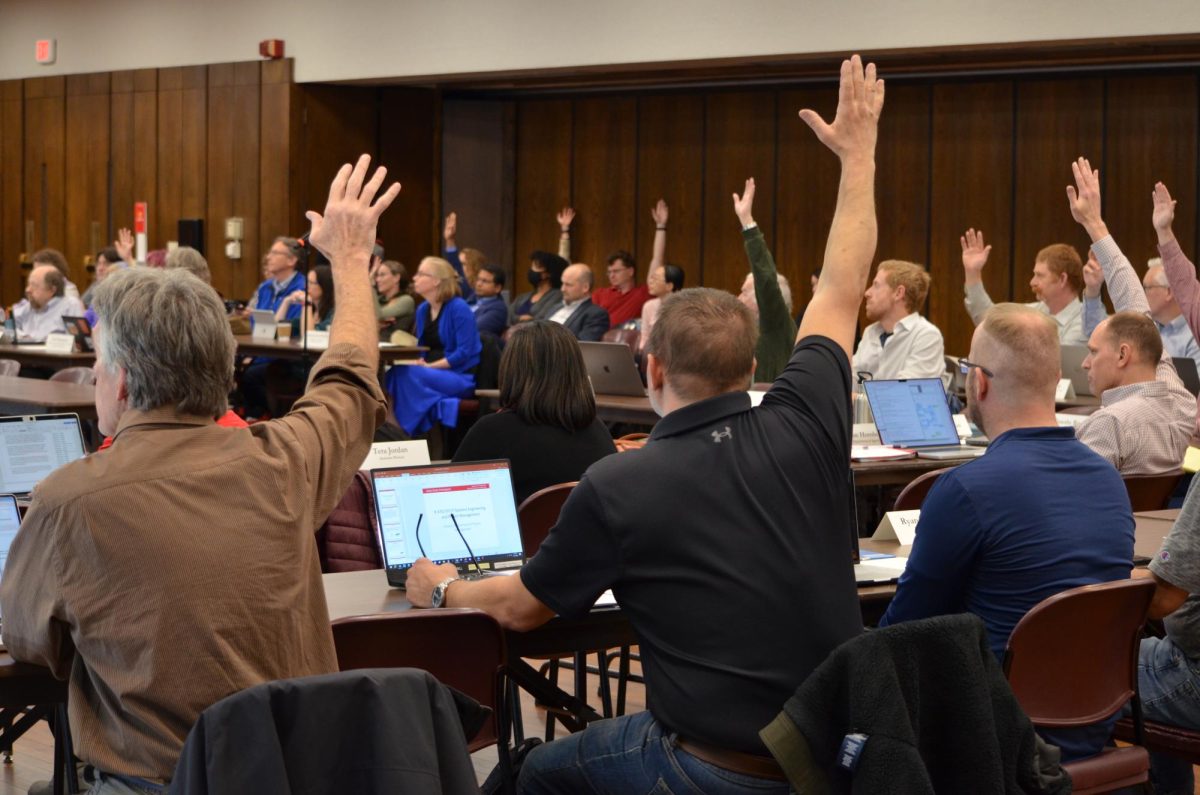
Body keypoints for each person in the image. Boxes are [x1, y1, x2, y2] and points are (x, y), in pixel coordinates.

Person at [405, 54, 884, 794]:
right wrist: (859, 158)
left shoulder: (621, 482)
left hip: (714, 765)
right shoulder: (810, 414)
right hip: (840, 756)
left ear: (651, 372)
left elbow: (523, 607)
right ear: (747, 362)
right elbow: (844, 281)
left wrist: (441, 588)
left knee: (526, 772)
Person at [0, 154, 397, 791]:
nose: (96, 375)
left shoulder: (68, 500)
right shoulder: (286, 461)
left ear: (122, 380)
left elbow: (28, 642)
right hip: (300, 778)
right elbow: (349, 377)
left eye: (99, 362)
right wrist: (349, 260)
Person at [878, 302, 1134, 761]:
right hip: (1089, 727)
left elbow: (901, 633)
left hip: (990, 739)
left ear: (977, 382)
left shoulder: (965, 490)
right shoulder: (1109, 482)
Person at [1066, 157, 1194, 475]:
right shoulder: (1181, 404)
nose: (1084, 362)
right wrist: (1094, 225)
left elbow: (1071, 497)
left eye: (1094, 352)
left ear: (1124, 354)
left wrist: (1094, 224)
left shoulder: (1110, 425)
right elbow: (1136, 309)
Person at [452, 321, 616, 503]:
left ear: (511, 370)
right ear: (576, 370)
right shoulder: (598, 430)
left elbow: (449, 498)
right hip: (583, 531)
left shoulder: (492, 431)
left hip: (518, 531)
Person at [385, 256, 482, 436]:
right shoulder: (423, 309)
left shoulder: (459, 308)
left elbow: (465, 352)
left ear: (436, 281)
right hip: (428, 373)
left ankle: (403, 431)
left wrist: (430, 366)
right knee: (390, 374)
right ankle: (394, 429)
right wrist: (420, 363)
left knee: (402, 374)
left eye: (421, 274)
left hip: (458, 376)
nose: (414, 278)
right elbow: (422, 348)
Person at [961, 228, 1089, 346]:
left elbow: (1055, 363)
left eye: (1040, 275)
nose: (1032, 282)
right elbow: (990, 322)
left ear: (1062, 279)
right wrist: (973, 273)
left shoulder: (1085, 322)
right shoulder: (1033, 311)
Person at [732, 177, 797, 383]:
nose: (737, 297)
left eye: (744, 292)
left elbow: (766, 280)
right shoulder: (750, 330)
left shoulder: (775, 324)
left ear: (761, 300)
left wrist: (748, 224)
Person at [852, 259, 945, 384]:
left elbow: (903, 395)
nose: (867, 293)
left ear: (898, 293)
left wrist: (855, 397)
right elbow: (850, 381)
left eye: (876, 285)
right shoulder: (871, 332)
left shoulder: (926, 335)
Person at [5, 264, 86, 342]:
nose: (28, 290)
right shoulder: (30, 306)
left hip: (54, 355)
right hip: (24, 354)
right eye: (28, 284)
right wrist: (24, 337)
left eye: (34, 285)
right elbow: (6, 325)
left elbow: (78, 342)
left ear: (52, 290)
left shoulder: (70, 305)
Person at [547, 263, 610, 341]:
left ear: (585, 287)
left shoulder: (596, 314)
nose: (562, 289)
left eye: (568, 285)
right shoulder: (554, 307)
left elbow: (582, 345)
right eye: (562, 283)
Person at [250, 237, 307, 320]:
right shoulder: (264, 287)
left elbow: (294, 324)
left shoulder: (302, 288)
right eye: (270, 253)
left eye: (275, 253)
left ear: (291, 260)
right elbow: (256, 321)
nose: (268, 257)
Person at [275, 264, 336, 332]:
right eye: (307, 282)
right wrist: (286, 302)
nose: (305, 286)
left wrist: (307, 303)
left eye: (311, 283)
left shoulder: (334, 313)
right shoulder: (311, 310)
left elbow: (309, 337)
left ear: (325, 286)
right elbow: (275, 331)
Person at [510, 250, 567, 322]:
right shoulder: (523, 297)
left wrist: (518, 319)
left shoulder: (558, 296)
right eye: (532, 266)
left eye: (537, 266)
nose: (532, 270)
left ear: (548, 274)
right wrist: (519, 318)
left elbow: (541, 319)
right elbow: (508, 315)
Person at [639, 262, 684, 352]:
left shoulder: (683, 307)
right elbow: (644, 337)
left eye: (655, 279)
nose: (650, 282)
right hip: (651, 353)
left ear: (669, 286)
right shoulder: (648, 306)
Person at [374, 259, 416, 341]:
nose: (377, 280)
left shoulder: (406, 300)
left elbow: (378, 315)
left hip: (394, 350)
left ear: (396, 278)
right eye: (376, 276)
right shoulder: (379, 300)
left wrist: (370, 285)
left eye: (382, 275)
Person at [471, 263, 511, 339]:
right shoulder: (472, 299)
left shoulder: (498, 309)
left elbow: (473, 329)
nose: (479, 284)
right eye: (478, 279)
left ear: (497, 288)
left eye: (484, 281)